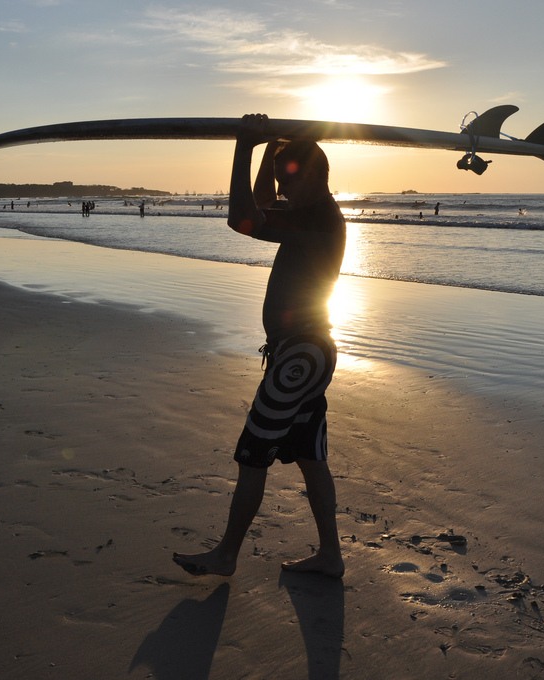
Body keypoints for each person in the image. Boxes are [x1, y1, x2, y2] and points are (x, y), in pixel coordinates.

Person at [173, 113, 347, 578]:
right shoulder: (310, 211)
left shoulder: (318, 219)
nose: (283, 193)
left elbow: (243, 217)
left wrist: (245, 145)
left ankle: (227, 554)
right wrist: (271, 147)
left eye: (291, 181)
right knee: (310, 457)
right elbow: (265, 200)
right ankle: (330, 557)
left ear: (316, 176)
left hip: (301, 355)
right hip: (308, 352)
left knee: (253, 454)